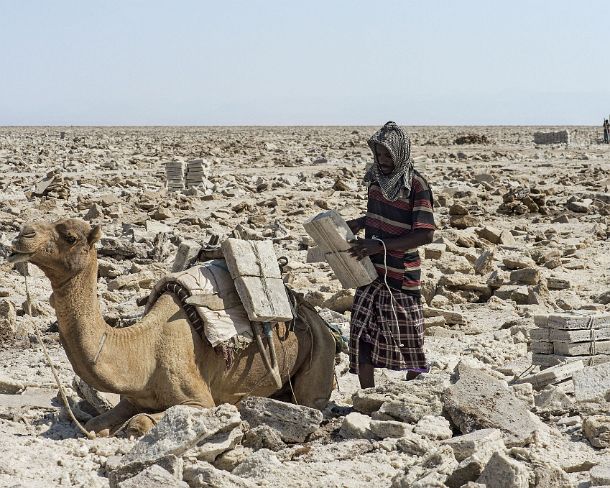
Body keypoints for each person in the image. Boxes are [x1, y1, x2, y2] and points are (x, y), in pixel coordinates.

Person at [346, 121, 435, 389]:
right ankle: (366, 398)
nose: (382, 161)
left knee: (409, 339)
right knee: (362, 332)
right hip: (371, 271)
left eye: (388, 155)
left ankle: (416, 389)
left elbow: (425, 234)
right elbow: (381, 214)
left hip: (401, 274)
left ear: (401, 154)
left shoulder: (417, 185)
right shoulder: (375, 181)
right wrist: (362, 222)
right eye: (378, 154)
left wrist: (380, 245)